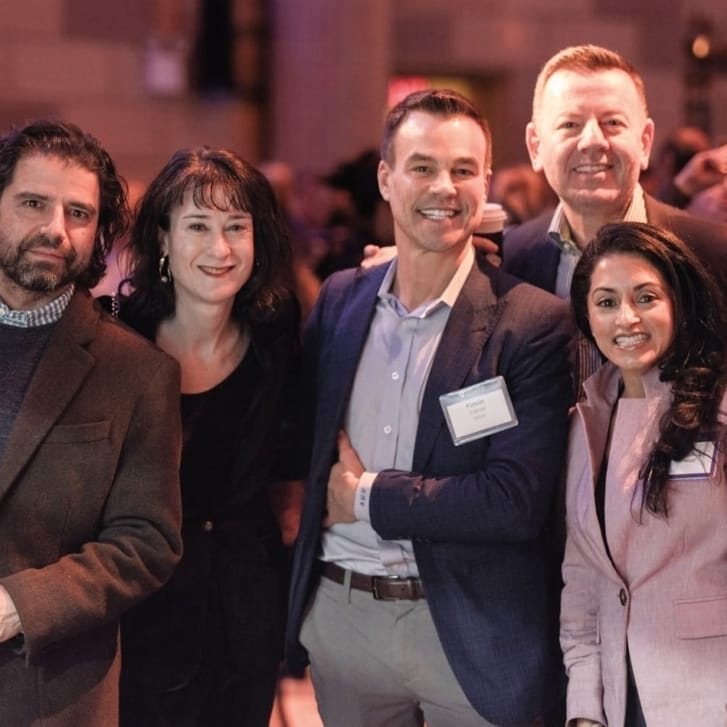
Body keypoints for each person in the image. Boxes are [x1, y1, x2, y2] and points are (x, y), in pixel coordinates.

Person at [286, 89, 574, 726]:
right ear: (387, 179)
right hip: (345, 620)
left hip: (473, 630)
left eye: (463, 170)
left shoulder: (533, 323)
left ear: (486, 183)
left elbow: (513, 501)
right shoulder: (340, 299)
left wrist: (363, 496)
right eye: (423, 167)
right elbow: (293, 437)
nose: (444, 187)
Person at [0, 119, 182, 726]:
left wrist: (21, 605)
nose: (55, 229)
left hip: (46, 693)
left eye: (78, 213)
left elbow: (147, 541)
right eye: (33, 203)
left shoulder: (136, 370)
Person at [110, 147, 299, 727]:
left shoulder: (276, 331)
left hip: (248, 606)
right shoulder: (118, 333)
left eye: (235, 227)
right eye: (197, 226)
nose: (219, 249)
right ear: (163, 238)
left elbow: (288, 462)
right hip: (140, 607)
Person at [562, 221, 727, 726]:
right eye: (607, 302)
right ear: (587, 318)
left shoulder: (721, 409)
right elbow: (585, 574)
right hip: (620, 695)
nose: (626, 318)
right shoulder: (585, 418)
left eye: (646, 297)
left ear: (678, 301)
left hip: (710, 692)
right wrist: (585, 706)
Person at [504, 44, 727, 304]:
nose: (592, 140)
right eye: (570, 125)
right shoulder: (508, 259)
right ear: (535, 146)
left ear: (645, 142)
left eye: (612, 123)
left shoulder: (714, 255)